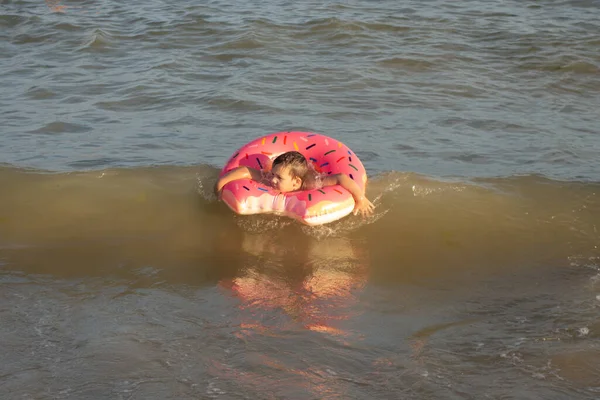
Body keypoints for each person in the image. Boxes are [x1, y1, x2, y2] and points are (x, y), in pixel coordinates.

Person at [215, 151, 375, 217]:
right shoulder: (270, 179)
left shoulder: (313, 184)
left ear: (296, 182)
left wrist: (360, 198)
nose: (272, 180)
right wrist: (222, 181)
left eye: (278, 177)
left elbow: (341, 177)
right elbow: (247, 171)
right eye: (272, 174)